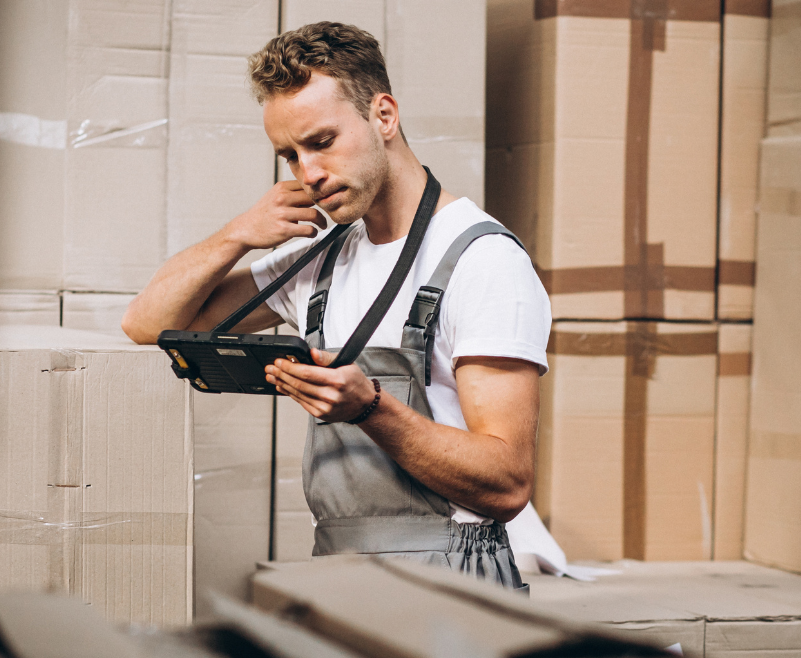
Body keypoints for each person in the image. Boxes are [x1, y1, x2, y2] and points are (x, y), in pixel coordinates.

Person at [121, 21, 550, 590]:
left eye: (321, 142)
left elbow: (508, 483)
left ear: (384, 116)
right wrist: (237, 234)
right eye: (290, 156)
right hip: (340, 569)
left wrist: (371, 408)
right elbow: (147, 323)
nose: (309, 173)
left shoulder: (481, 262)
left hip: (453, 578)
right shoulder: (319, 264)